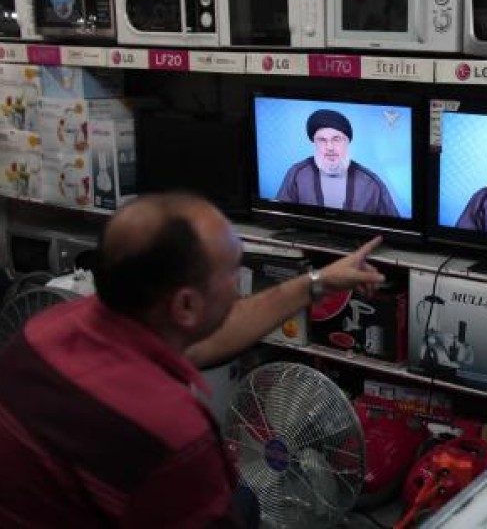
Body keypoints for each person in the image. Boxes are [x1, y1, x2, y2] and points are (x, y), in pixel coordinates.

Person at [0, 192, 384, 526]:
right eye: (232, 270)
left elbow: (208, 336)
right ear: (185, 305)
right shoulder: (170, 434)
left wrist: (315, 283)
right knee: (245, 501)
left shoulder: (45, 328)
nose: (239, 282)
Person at [276, 109, 399, 216]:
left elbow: (394, 229)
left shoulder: (371, 183)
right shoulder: (297, 174)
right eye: (322, 140)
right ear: (314, 142)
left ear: (347, 142)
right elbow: (278, 218)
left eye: (336, 139)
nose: (330, 147)